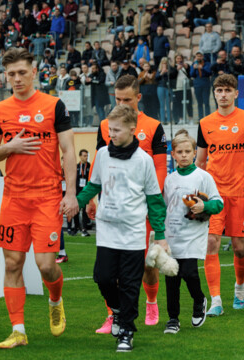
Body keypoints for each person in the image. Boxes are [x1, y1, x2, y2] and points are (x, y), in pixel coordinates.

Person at [0, 47, 78, 349]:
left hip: (47, 196)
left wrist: (71, 193)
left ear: (34, 71)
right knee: (12, 263)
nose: (16, 78)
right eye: (11, 74)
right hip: (14, 197)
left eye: (22, 72)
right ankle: (18, 330)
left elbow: (68, 151)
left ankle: (55, 300)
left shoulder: (54, 106)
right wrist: (9, 148)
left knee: (46, 265)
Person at [75, 105, 167, 352]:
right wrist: (77, 201)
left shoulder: (144, 160)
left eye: (116, 130)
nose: (111, 134)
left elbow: (154, 200)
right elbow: (93, 186)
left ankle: (126, 330)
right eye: (109, 130)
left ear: (131, 129)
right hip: (106, 230)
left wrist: (160, 235)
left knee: (129, 284)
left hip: (133, 233)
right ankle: (116, 311)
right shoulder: (103, 154)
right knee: (103, 278)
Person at [94, 75, 167, 332]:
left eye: (127, 99)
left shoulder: (154, 126)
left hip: (140, 207)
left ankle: (151, 301)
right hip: (113, 209)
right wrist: (95, 197)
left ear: (138, 98)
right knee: (108, 269)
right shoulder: (105, 125)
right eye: (118, 99)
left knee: (147, 263)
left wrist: (148, 202)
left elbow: (159, 168)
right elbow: (100, 165)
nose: (122, 103)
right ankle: (113, 315)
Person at [195, 74, 244, 316]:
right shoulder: (205, 123)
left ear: (236, 93)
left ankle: (240, 288)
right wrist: (197, 196)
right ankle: (215, 300)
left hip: (241, 193)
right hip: (214, 195)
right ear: (214, 94)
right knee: (211, 242)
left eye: (227, 90)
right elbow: (200, 161)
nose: (222, 94)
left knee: (239, 247)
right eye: (219, 90)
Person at [162, 133, 223, 333]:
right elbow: (164, 207)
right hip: (172, 235)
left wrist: (204, 205)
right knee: (171, 278)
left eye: (188, 151)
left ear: (195, 153)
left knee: (188, 272)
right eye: (179, 152)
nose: (184, 155)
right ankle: (173, 319)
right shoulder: (169, 179)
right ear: (173, 154)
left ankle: (199, 300)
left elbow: (218, 204)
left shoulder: (203, 177)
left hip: (193, 234)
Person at [67, 149, 91, 237]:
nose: (86, 157)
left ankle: (84, 229)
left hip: (86, 191)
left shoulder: (89, 166)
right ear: (80, 156)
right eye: (84, 156)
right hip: (77, 191)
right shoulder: (76, 166)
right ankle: (76, 227)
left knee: (85, 211)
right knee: (76, 210)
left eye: (87, 156)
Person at [191, 51, 212, 119]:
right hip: (197, 84)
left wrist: (202, 68)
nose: (199, 57)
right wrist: (194, 69)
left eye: (200, 56)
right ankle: (201, 118)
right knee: (199, 103)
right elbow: (191, 74)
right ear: (196, 57)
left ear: (202, 57)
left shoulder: (207, 64)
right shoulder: (194, 64)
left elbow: (210, 72)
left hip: (205, 83)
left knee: (206, 102)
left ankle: (208, 117)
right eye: (197, 56)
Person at [155, 57, 176, 124]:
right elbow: (156, 78)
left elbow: (174, 75)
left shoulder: (171, 69)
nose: (164, 64)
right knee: (162, 104)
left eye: (166, 63)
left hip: (168, 87)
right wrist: (162, 72)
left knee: (168, 104)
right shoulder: (159, 70)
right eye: (163, 63)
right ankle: (163, 120)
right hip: (161, 87)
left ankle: (169, 120)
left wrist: (168, 72)